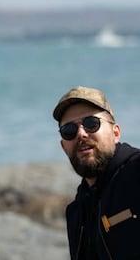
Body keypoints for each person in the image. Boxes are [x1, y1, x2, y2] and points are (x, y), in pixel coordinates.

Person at [53, 86, 140, 260]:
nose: (81, 134)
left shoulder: (135, 172)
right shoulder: (76, 211)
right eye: (69, 130)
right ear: (63, 146)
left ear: (115, 133)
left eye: (91, 123)